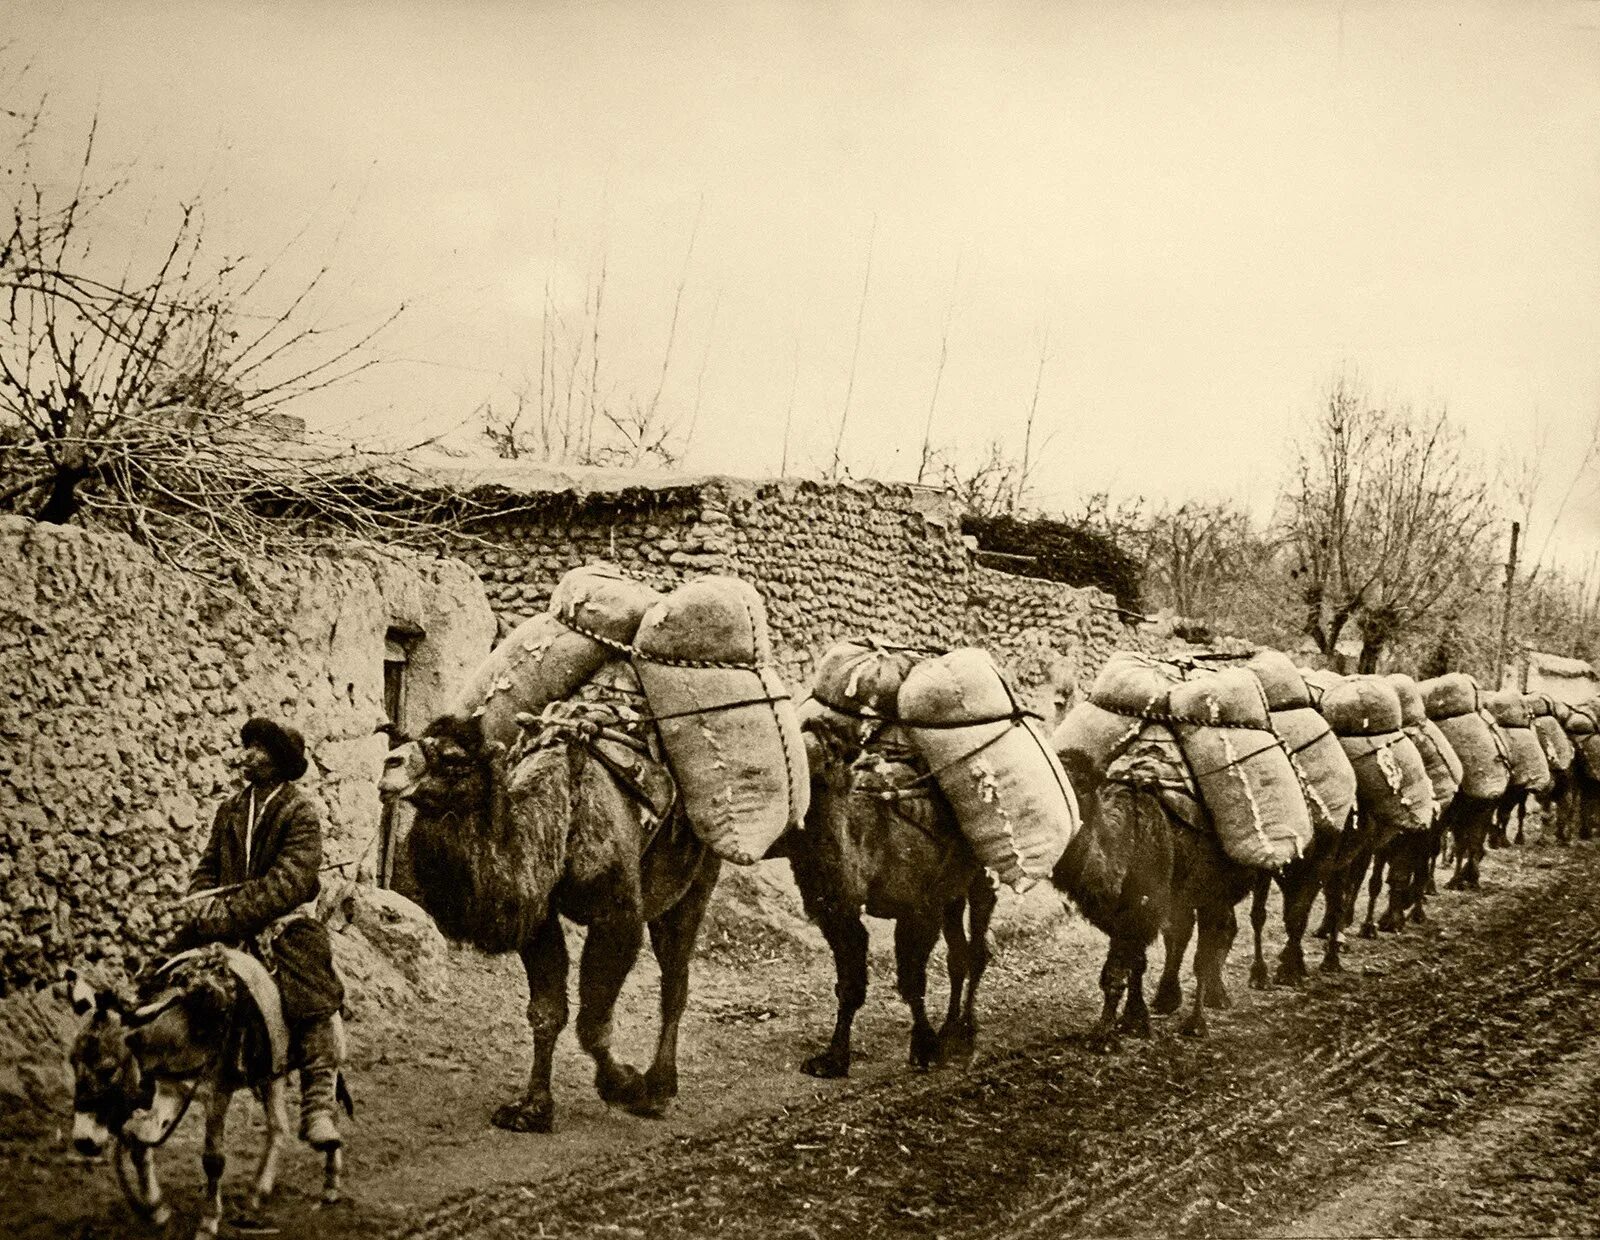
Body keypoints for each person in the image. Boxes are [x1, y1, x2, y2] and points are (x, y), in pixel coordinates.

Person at [178, 717, 346, 1150]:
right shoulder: (231, 809)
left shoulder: (299, 811)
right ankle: (145, 1073)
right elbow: (209, 867)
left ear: (280, 762)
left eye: (258, 749)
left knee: (313, 991)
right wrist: (200, 902)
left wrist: (231, 915)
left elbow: (288, 881)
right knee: (165, 970)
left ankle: (317, 1107)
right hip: (226, 917)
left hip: (283, 922)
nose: (246, 755)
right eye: (246, 747)